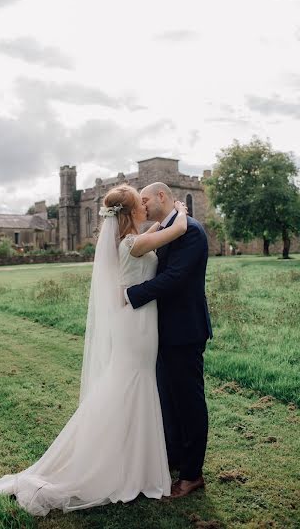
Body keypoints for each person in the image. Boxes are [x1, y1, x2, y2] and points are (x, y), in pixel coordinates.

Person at [0, 185, 188, 517]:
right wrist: (182, 213)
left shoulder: (128, 241)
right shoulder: (133, 243)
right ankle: (131, 465)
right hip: (137, 326)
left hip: (137, 323)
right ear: (130, 214)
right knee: (133, 383)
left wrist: (161, 222)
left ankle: (134, 460)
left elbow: (154, 232)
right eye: (139, 204)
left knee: (132, 383)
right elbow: (178, 230)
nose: (145, 206)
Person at [126, 182, 212, 498]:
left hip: (185, 331)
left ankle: (192, 475)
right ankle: (174, 458)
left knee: (188, 403)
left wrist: (130, 295)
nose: (142, 205)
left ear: (162, 196)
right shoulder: (168, 227)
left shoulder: (191, 231)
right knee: (168, 400)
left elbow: (174, 278)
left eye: (145, 199)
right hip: (161, 332)